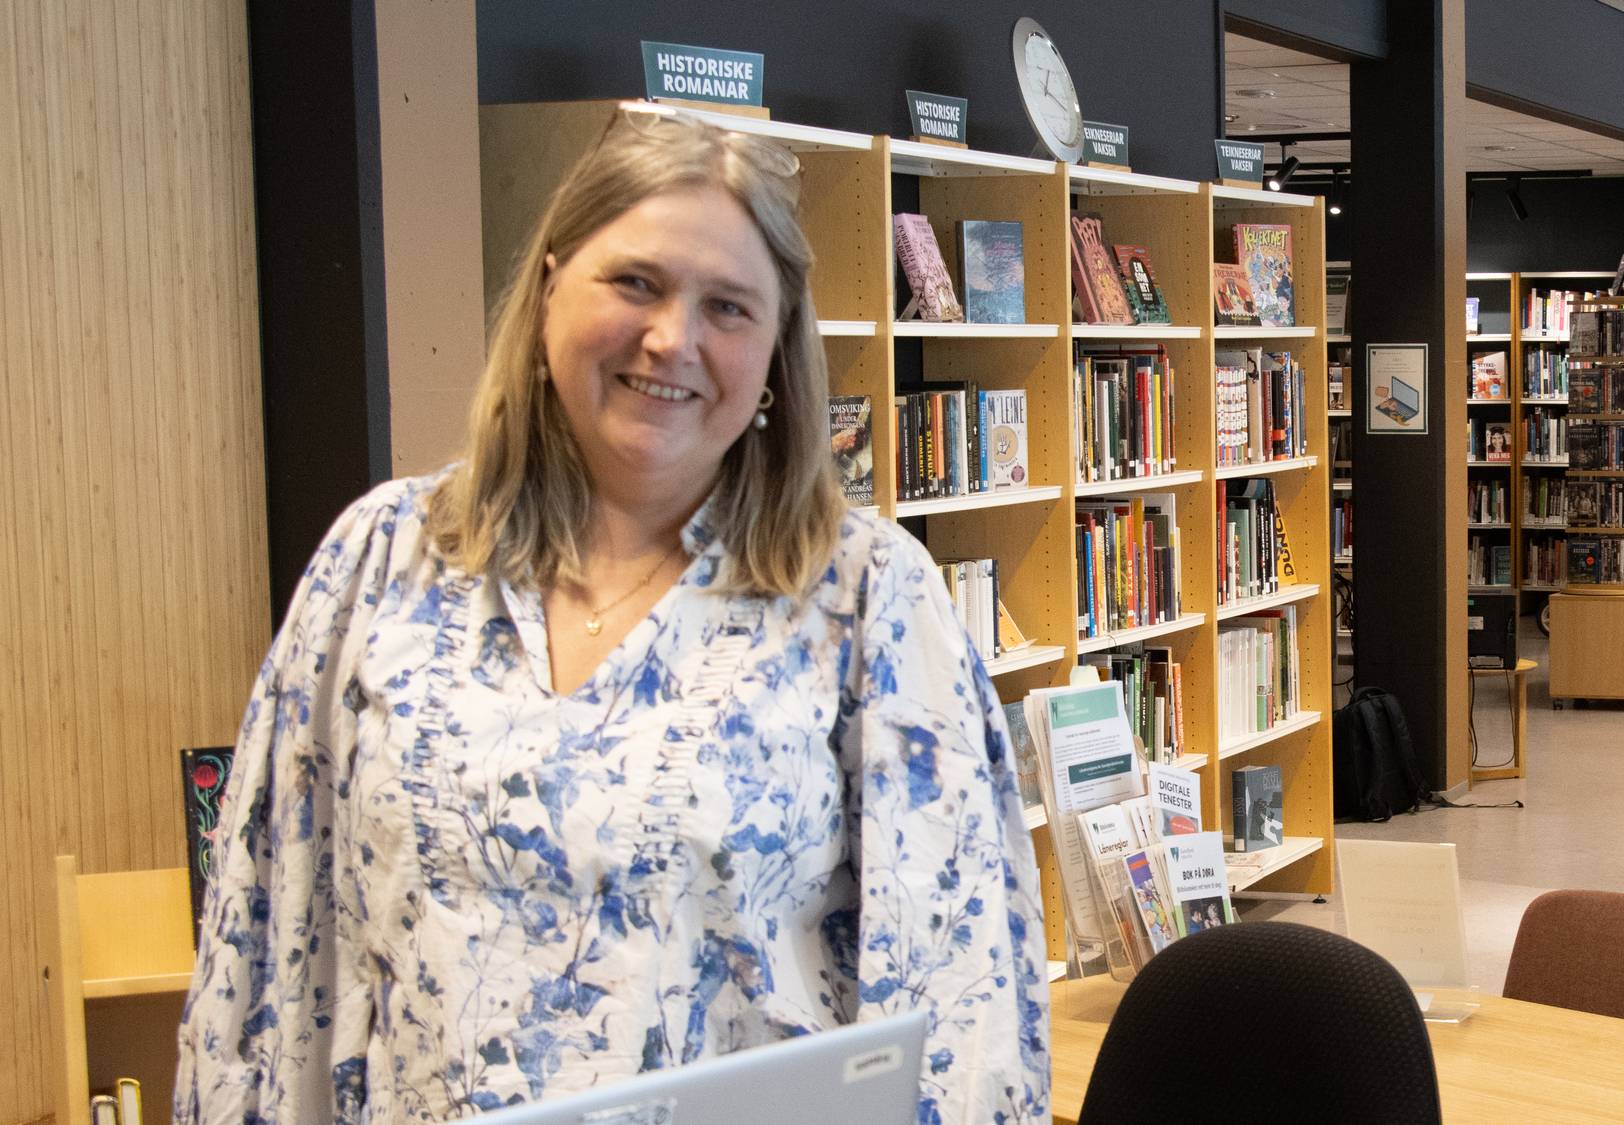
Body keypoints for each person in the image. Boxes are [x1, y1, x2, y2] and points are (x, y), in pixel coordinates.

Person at [175, 107, 1050, 1124]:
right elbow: (269, 959)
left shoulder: (868, 601)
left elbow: (961, 1002)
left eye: (727, 307)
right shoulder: (378, 563)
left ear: (775, 353)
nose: (670, 338)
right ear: (548, 285)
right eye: (634, 282)